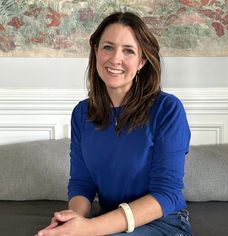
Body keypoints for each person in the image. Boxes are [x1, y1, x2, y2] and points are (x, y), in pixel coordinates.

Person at [35, 11, 192, 236]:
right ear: (96, 52)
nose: (115, 59)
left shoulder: (168, 109)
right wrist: (73, 221)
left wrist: (90, 228)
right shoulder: (82, 113)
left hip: (163, 222)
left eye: (128, 51)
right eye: (108, 47)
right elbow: (82, 182)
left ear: (142, 62)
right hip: (108, 220)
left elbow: (166, 194)